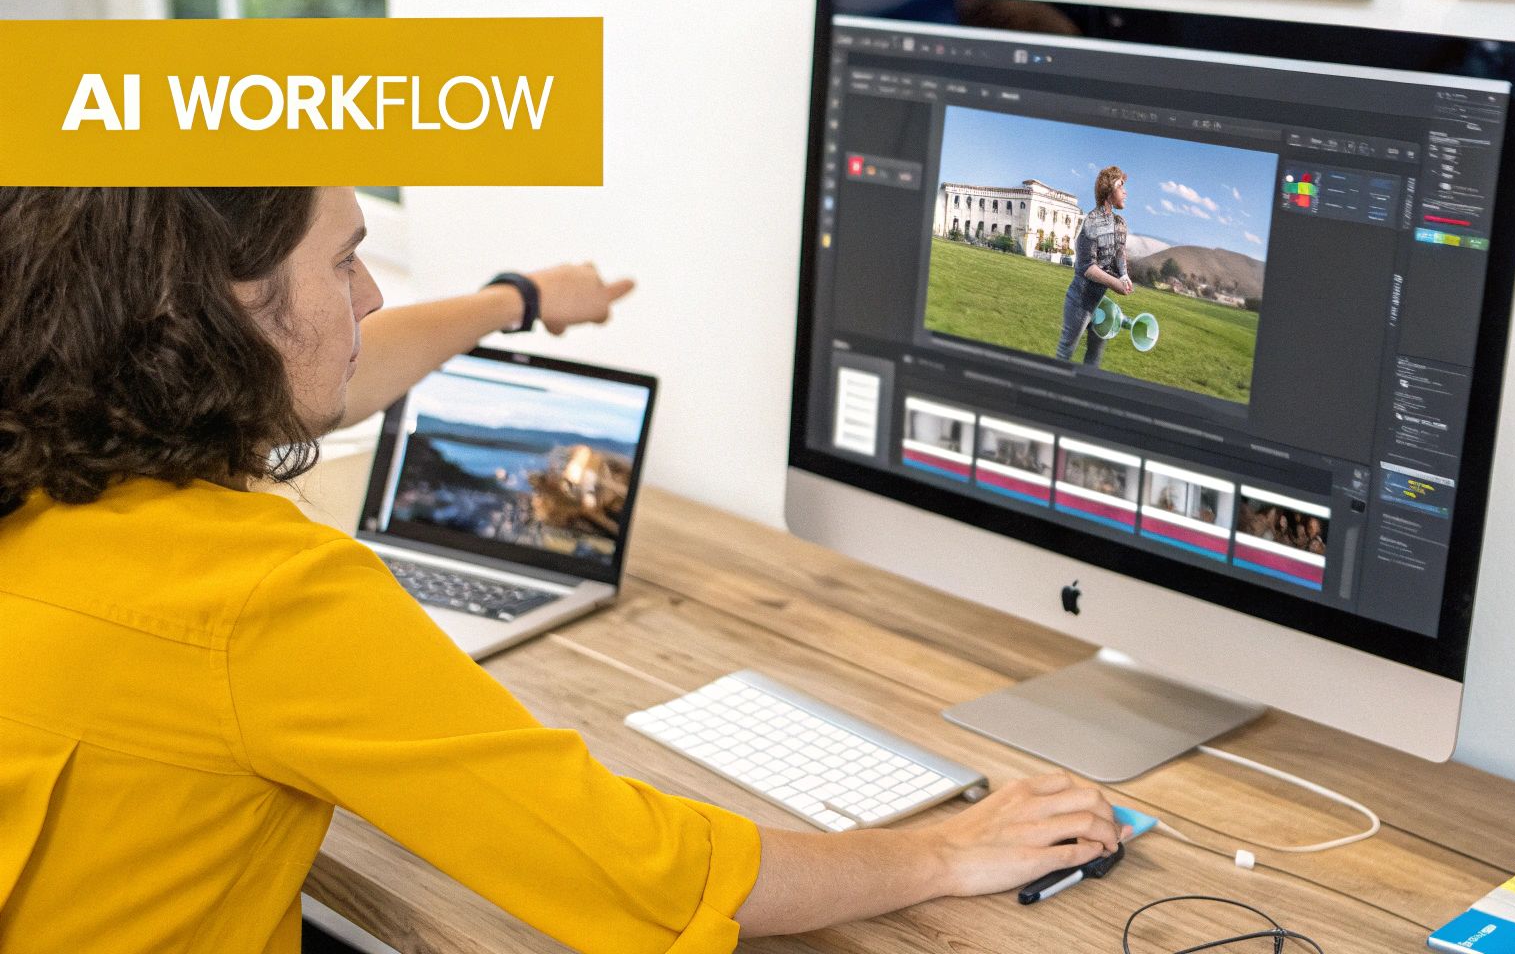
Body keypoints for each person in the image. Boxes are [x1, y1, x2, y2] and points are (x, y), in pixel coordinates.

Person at [0, 187, 1129, 954]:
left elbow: (326, 365)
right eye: (343, 262)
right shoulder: (260, 598)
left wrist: (517, 302)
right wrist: (942, 849)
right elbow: (639, 874)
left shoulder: (46, 449)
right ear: (216, 319)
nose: (371, 296)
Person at [1054, 166, 1133, 366]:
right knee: (1065, 353)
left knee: (1094, 358)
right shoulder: (1092, 221)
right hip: (1079, 302)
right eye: (1120, 186)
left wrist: (1124, 275)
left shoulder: (1120, 223)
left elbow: (1119, 254)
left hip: (1100, 303)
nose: (1125, 192)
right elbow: (1087, 268)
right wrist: (1115, 284)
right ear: (1108, 190)